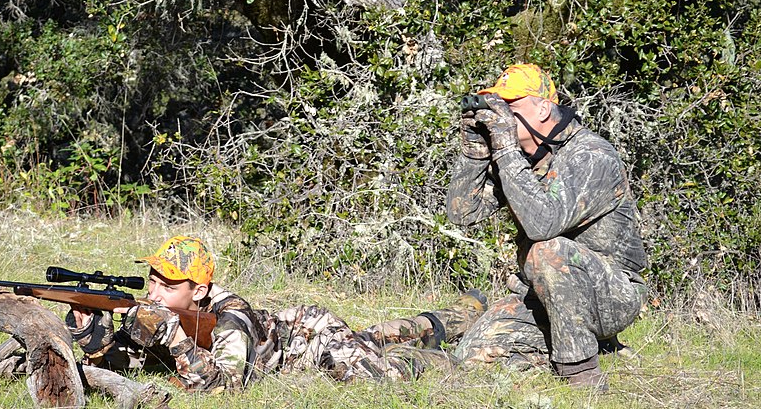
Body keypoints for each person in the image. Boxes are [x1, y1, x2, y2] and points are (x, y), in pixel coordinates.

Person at [446, 63, 648, 390]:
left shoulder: (591, 155)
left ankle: (581, 374)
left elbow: (543, 225)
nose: (500, 115)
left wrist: (506, 147)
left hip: (611, 293)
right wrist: (475, 153)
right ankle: (581, 349)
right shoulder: (520, 160)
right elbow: (462, 214)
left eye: (510, 106)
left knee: (546, 250)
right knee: (474, 356)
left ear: (542, 109)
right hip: (545, 295)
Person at [71, 235, 488, 391]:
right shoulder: (159, 308)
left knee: (371, 373)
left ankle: (444, 354)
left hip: (310, 337)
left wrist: (173, 337)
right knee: (371, 337)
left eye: (167, 284)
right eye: (152, 280)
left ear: (198, 290)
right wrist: (93, 334)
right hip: (293, 329)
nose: (154, 292)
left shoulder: (230, 315)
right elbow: (126, 361)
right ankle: (454, 313)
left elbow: (224, 387)